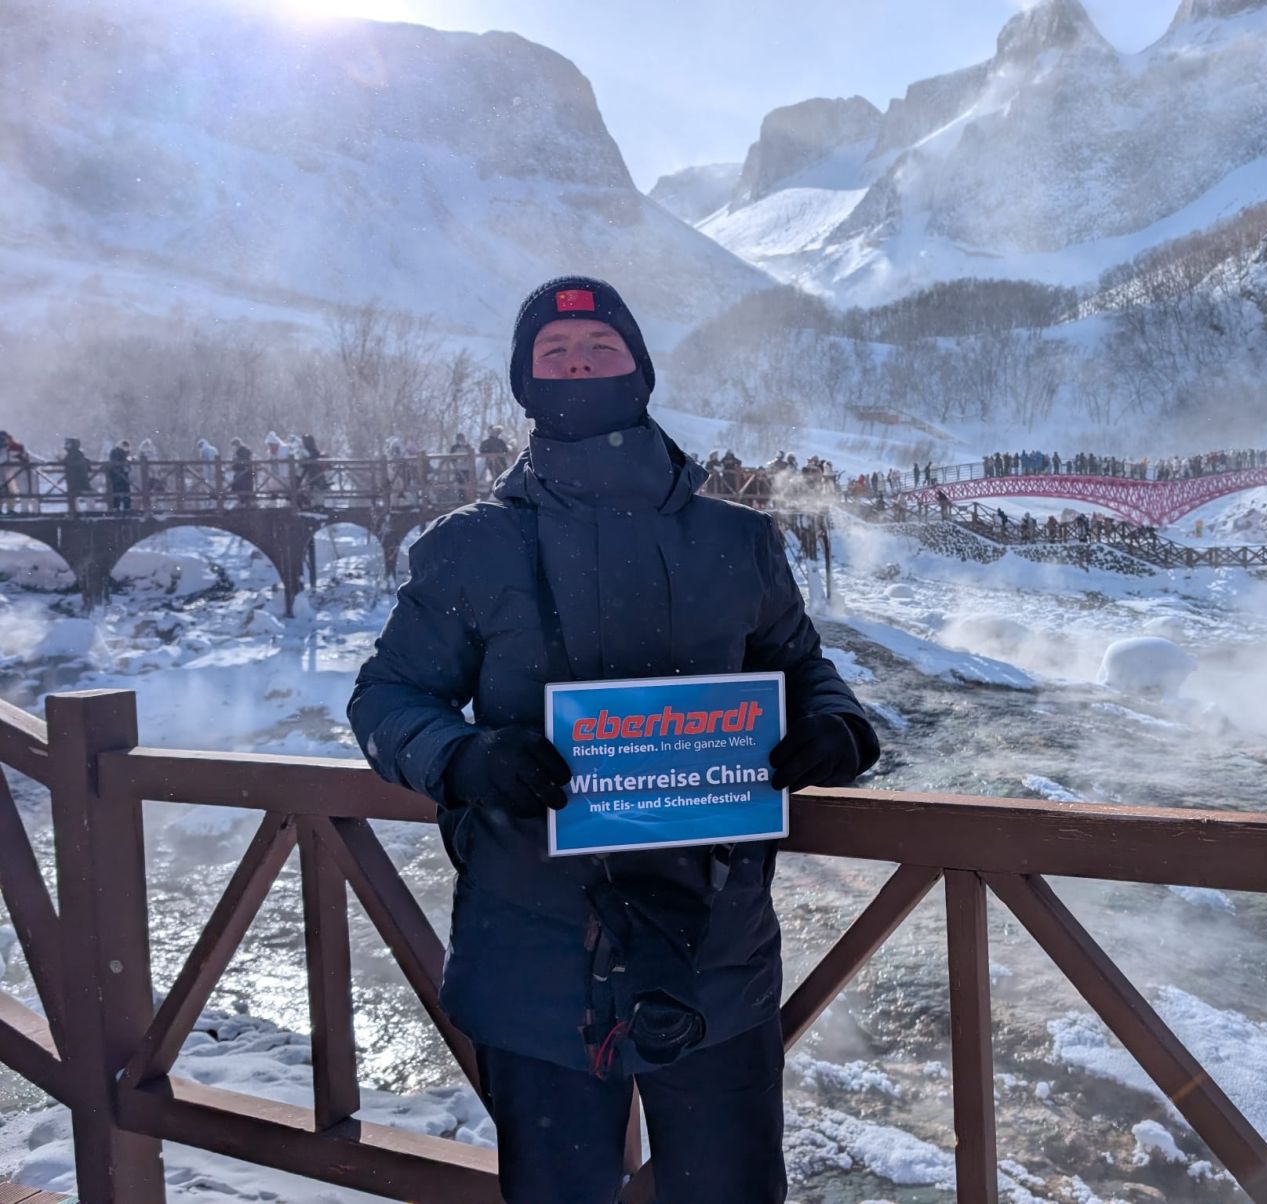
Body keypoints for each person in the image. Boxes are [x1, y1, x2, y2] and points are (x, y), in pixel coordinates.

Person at [348, 276, 879, 1204]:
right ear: (526, 384)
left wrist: (837, 728)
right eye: (554, 355)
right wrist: (464, 759)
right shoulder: (468, 547)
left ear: (640, 370)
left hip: (719, 948)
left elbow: (802, 667)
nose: (579, 365)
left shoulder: (740, 541)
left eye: (599, 348)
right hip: (536, 954)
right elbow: (389, 698)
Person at [63, 438, 94, 508]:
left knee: (73, 497)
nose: (66, 446)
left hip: (76, 480)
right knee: (84, 495)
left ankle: (75, 513)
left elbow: (70, 463)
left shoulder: (73, 454)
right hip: (80, 480)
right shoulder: (78, 454)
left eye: (68, 444)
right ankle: (88, 511)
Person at [107, 440, 133, 512]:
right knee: (120, 491)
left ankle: (121, 507)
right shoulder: (117, 452)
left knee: (121, 491)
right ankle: (122, 507)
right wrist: (125, 463)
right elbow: (116, 462)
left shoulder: (117, 452)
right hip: (118, 475)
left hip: (120, 475)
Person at [228, 438, 254, 507]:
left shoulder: (241, 452)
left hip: (244, 475)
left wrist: (233, 466)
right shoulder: (245, 451)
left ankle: (243, 504)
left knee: (242, 490)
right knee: (245, 491)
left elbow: (241, 463)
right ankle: (245, 504)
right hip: (246, 475)